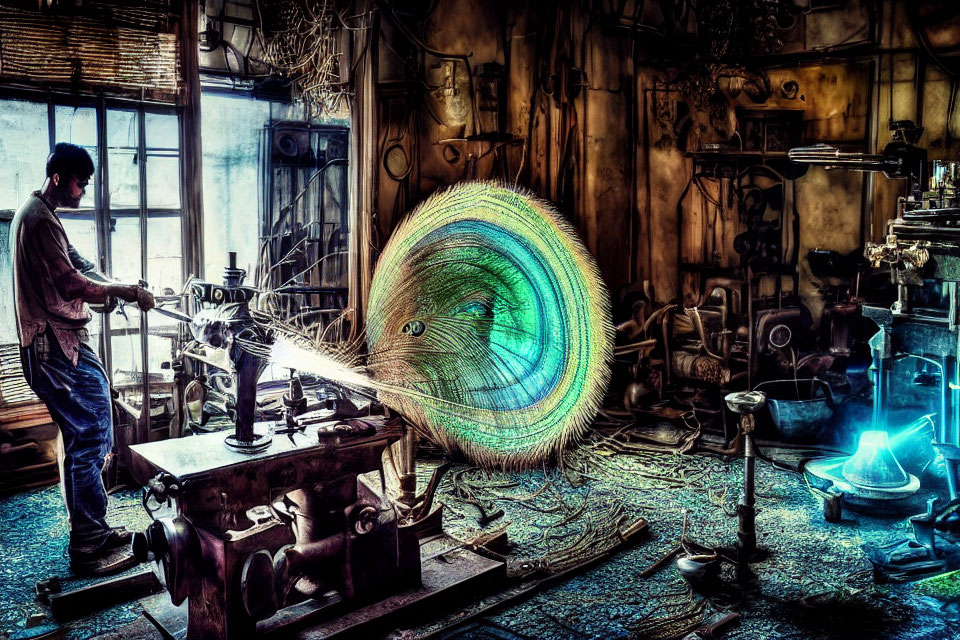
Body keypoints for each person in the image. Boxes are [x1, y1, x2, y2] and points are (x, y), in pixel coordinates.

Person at [11, 143, 155, 576]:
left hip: (60, 342)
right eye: (80, 182)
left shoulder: (43, 216)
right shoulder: (38, 222)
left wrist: (117, 284)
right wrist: (126, 293)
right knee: (91, 434)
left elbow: (81, 265)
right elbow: (72, 283)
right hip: (53, 348)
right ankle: (89, 544)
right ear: (58, 178)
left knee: (89, 431)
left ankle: (92, 526)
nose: (83, 190)